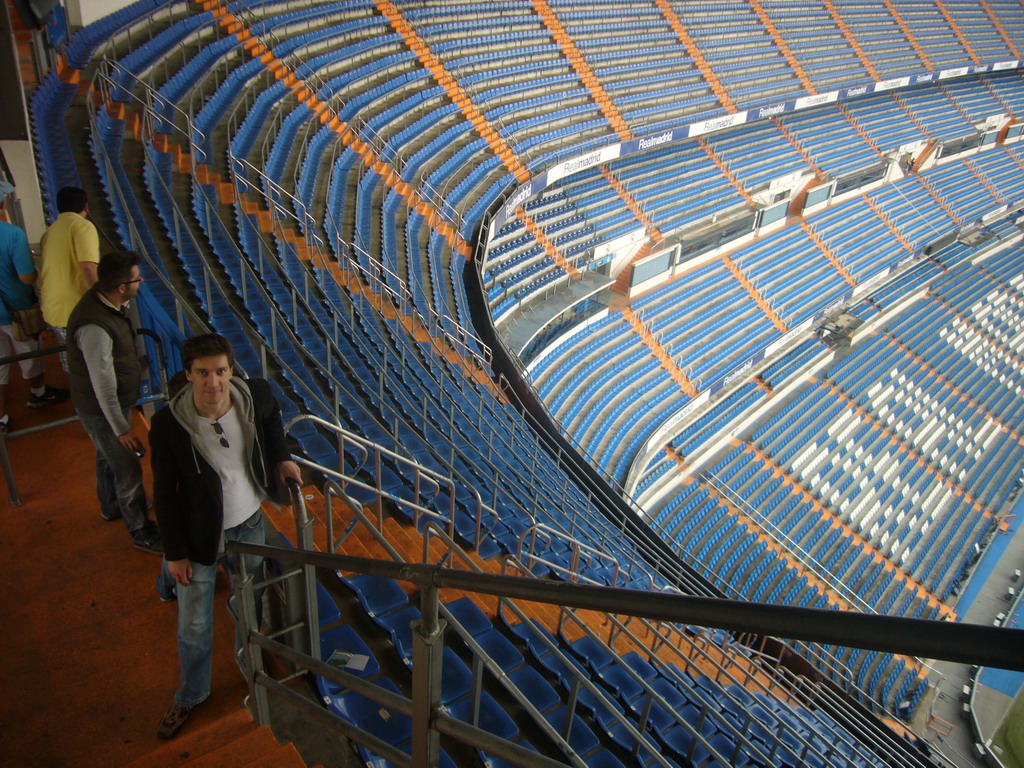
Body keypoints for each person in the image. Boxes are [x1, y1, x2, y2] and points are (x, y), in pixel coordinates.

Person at [151, 333, 300, 739]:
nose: (213, 382)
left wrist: (282, 457)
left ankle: (248, 666)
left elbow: (271, 420)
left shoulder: (255, 394)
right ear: (188, 375)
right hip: (199, 538)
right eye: (202, 373)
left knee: (248, 606)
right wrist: (175, 552)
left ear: (231, 371)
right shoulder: (168, 424)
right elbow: (163, 493)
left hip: (249, 523)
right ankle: (191, 694)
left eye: (220, 371)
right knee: (194, 626)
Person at [66, 250, 163, 552]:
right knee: (127, 469)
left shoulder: (106, 305)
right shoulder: (94, 325)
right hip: (100, 408)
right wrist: (122, 428)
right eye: (137, 278)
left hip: (105, 406)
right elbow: (102, 384)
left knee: (105, 455)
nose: (141, 282)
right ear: (122, 287)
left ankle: (110, 505)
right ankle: (140, 530)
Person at [0, 181, 68, 432]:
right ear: (3, 203)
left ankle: (1, 418)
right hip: (16, 311)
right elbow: (26, 277)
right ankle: (38, 393)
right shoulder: (13, 235)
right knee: (29, 354)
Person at [38, 186, 100, 368]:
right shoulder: (82, 226)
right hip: (75, 310)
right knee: (91, 366)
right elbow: (88, 267)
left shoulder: (49, 232)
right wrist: (102, 301)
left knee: (73, 366)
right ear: (86, 207)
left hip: (53, 309)